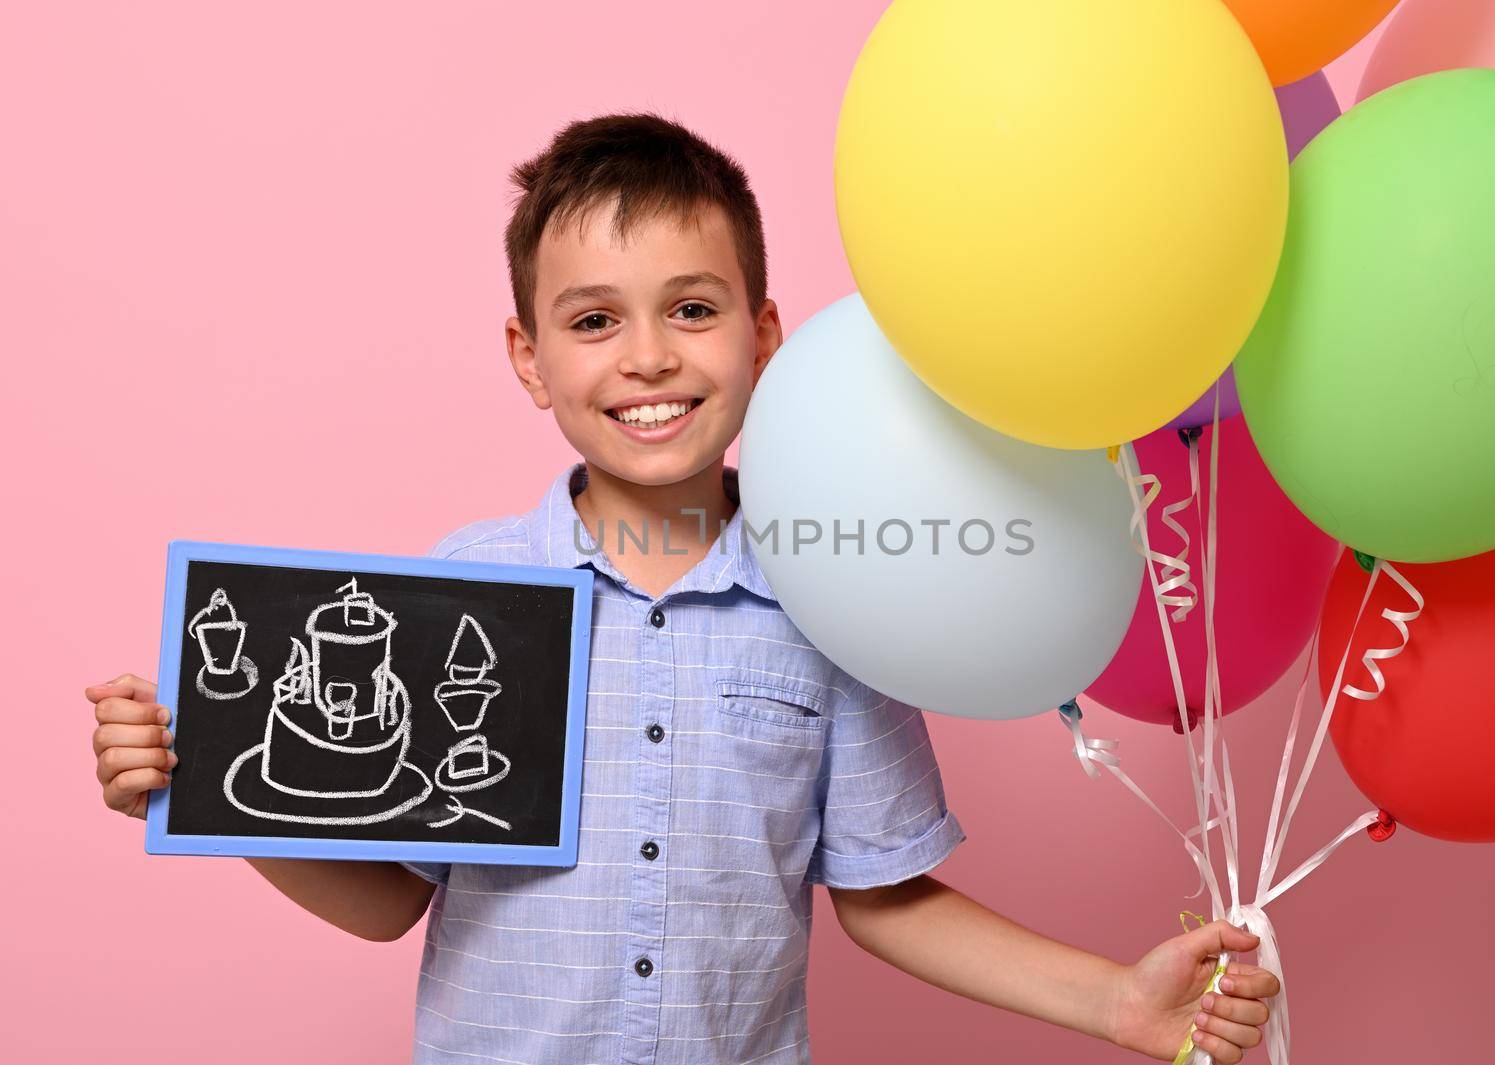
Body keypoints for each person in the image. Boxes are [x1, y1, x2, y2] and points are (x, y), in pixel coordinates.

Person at [87, 112, 1279, 1065]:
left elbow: (884, 894)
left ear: (762, 335)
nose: (648, 358)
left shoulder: (835, 592)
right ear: (529, 358)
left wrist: (1118, 1002)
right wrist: (211, 795)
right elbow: (389, 899)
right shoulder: (469, 592)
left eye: (692, 310)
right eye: (594, 320)